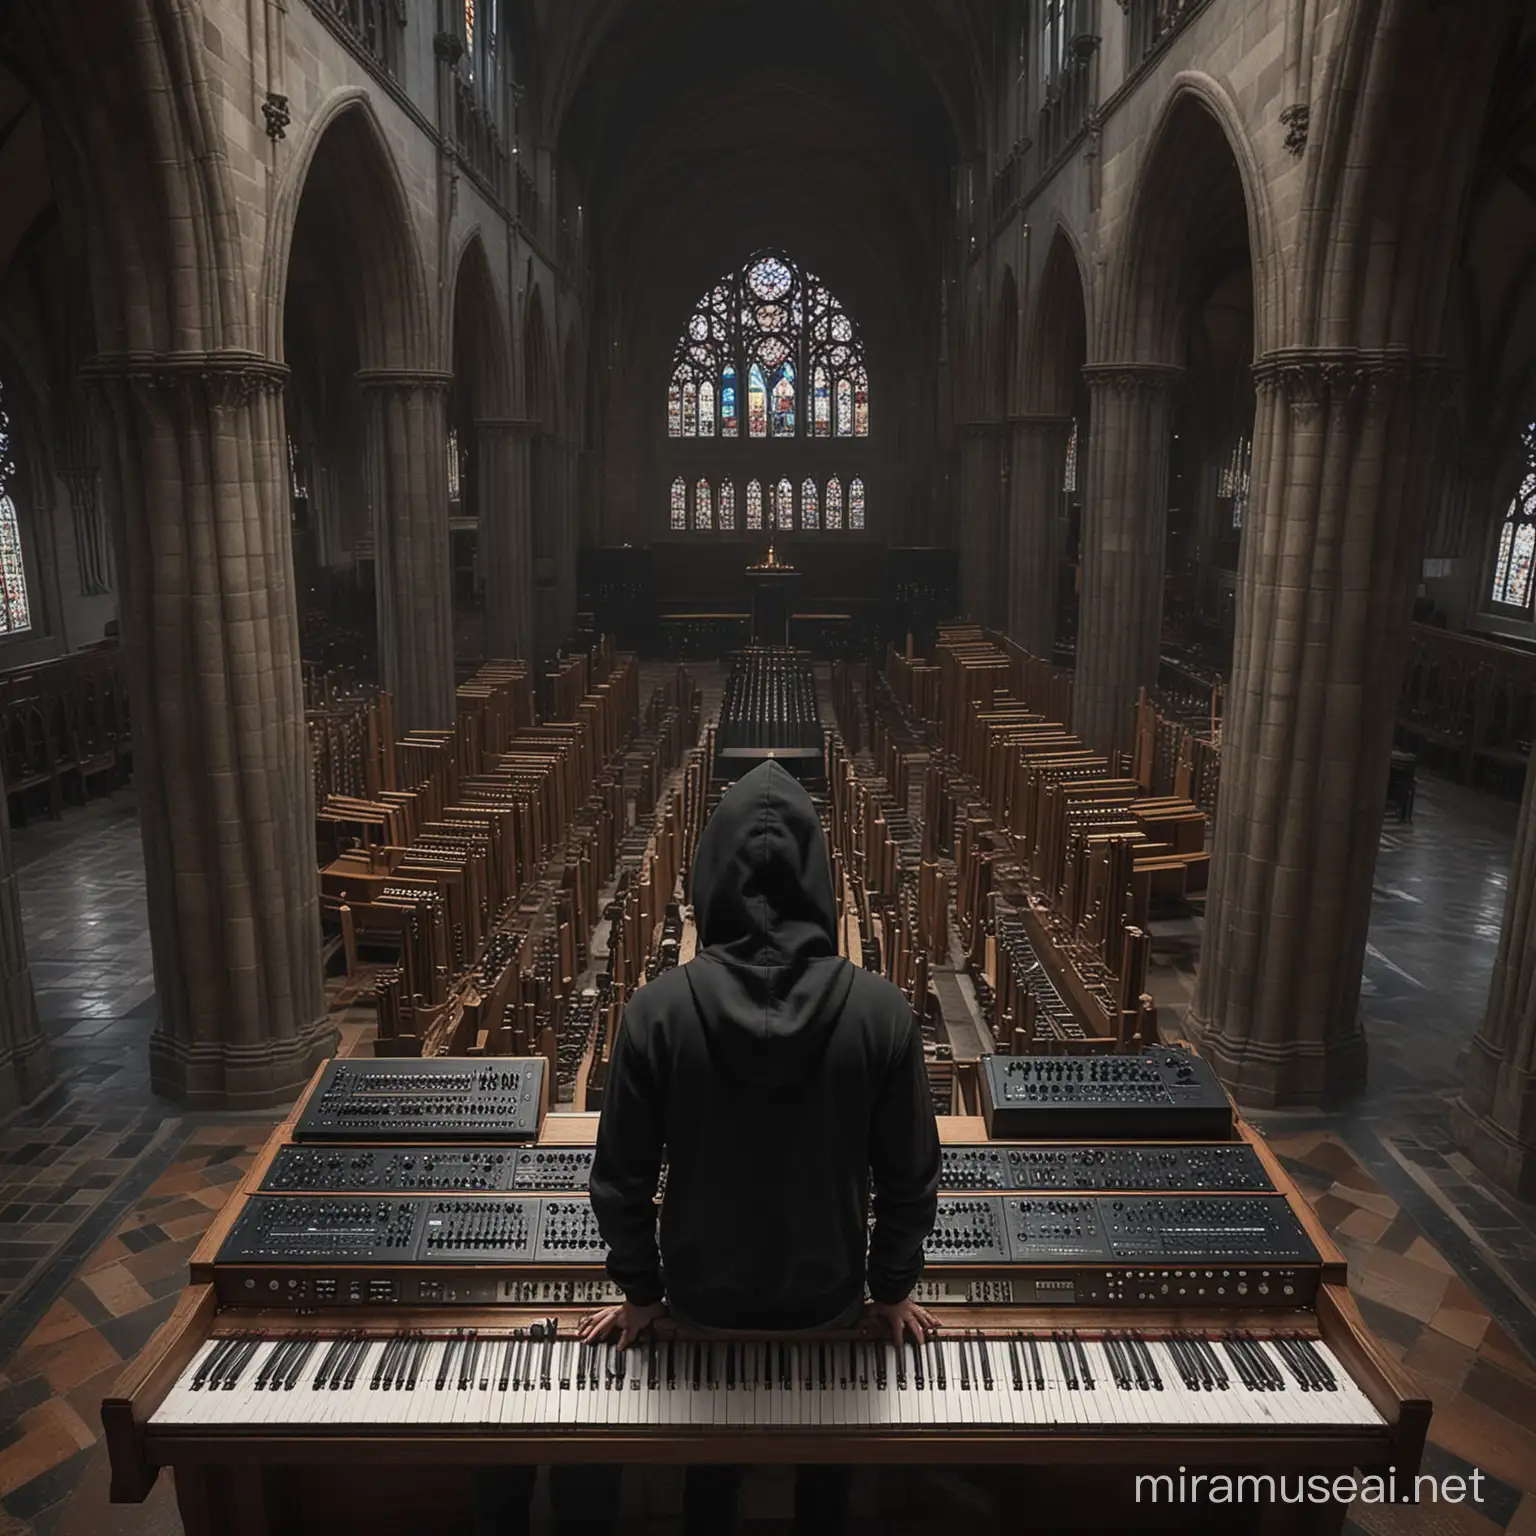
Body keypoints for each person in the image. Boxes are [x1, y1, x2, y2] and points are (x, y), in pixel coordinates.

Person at [582, 759, 941, 1534]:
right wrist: (890, 1290)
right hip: (831, 1305)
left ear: (708, 872)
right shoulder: (882, 1014)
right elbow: (910, 1180)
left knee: (708, 1483)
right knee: (827, 1490)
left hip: (703, 1303)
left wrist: (642, 1294)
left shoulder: (656, 1013)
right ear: (820, 876)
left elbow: (619, 1183)